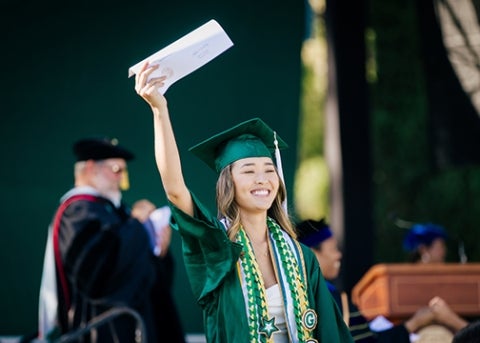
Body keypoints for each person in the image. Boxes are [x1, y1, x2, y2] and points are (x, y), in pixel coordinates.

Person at [134, 62, 354, 342]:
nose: (262, 179)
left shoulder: (301, 257)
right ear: (229, 184)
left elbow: (332, 334)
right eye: (249, 171)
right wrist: (159, 109)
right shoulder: (217, 249)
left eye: (269, 169)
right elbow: (176, 190)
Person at [37, 136, 185, 343]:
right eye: (116, 170)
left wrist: (159, 251)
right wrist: (136, 224)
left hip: (133, 323)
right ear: (90, 168)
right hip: (101, 327)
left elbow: (138, 268)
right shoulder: (79, 211)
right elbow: (95, 273)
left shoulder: (112, 210)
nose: (122, 179)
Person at [296, 218, 436, 342]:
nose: (339, 255)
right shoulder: (330, 298)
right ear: (312, 254)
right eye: (333, 249)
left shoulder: (296, 293)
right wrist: (414, 323)